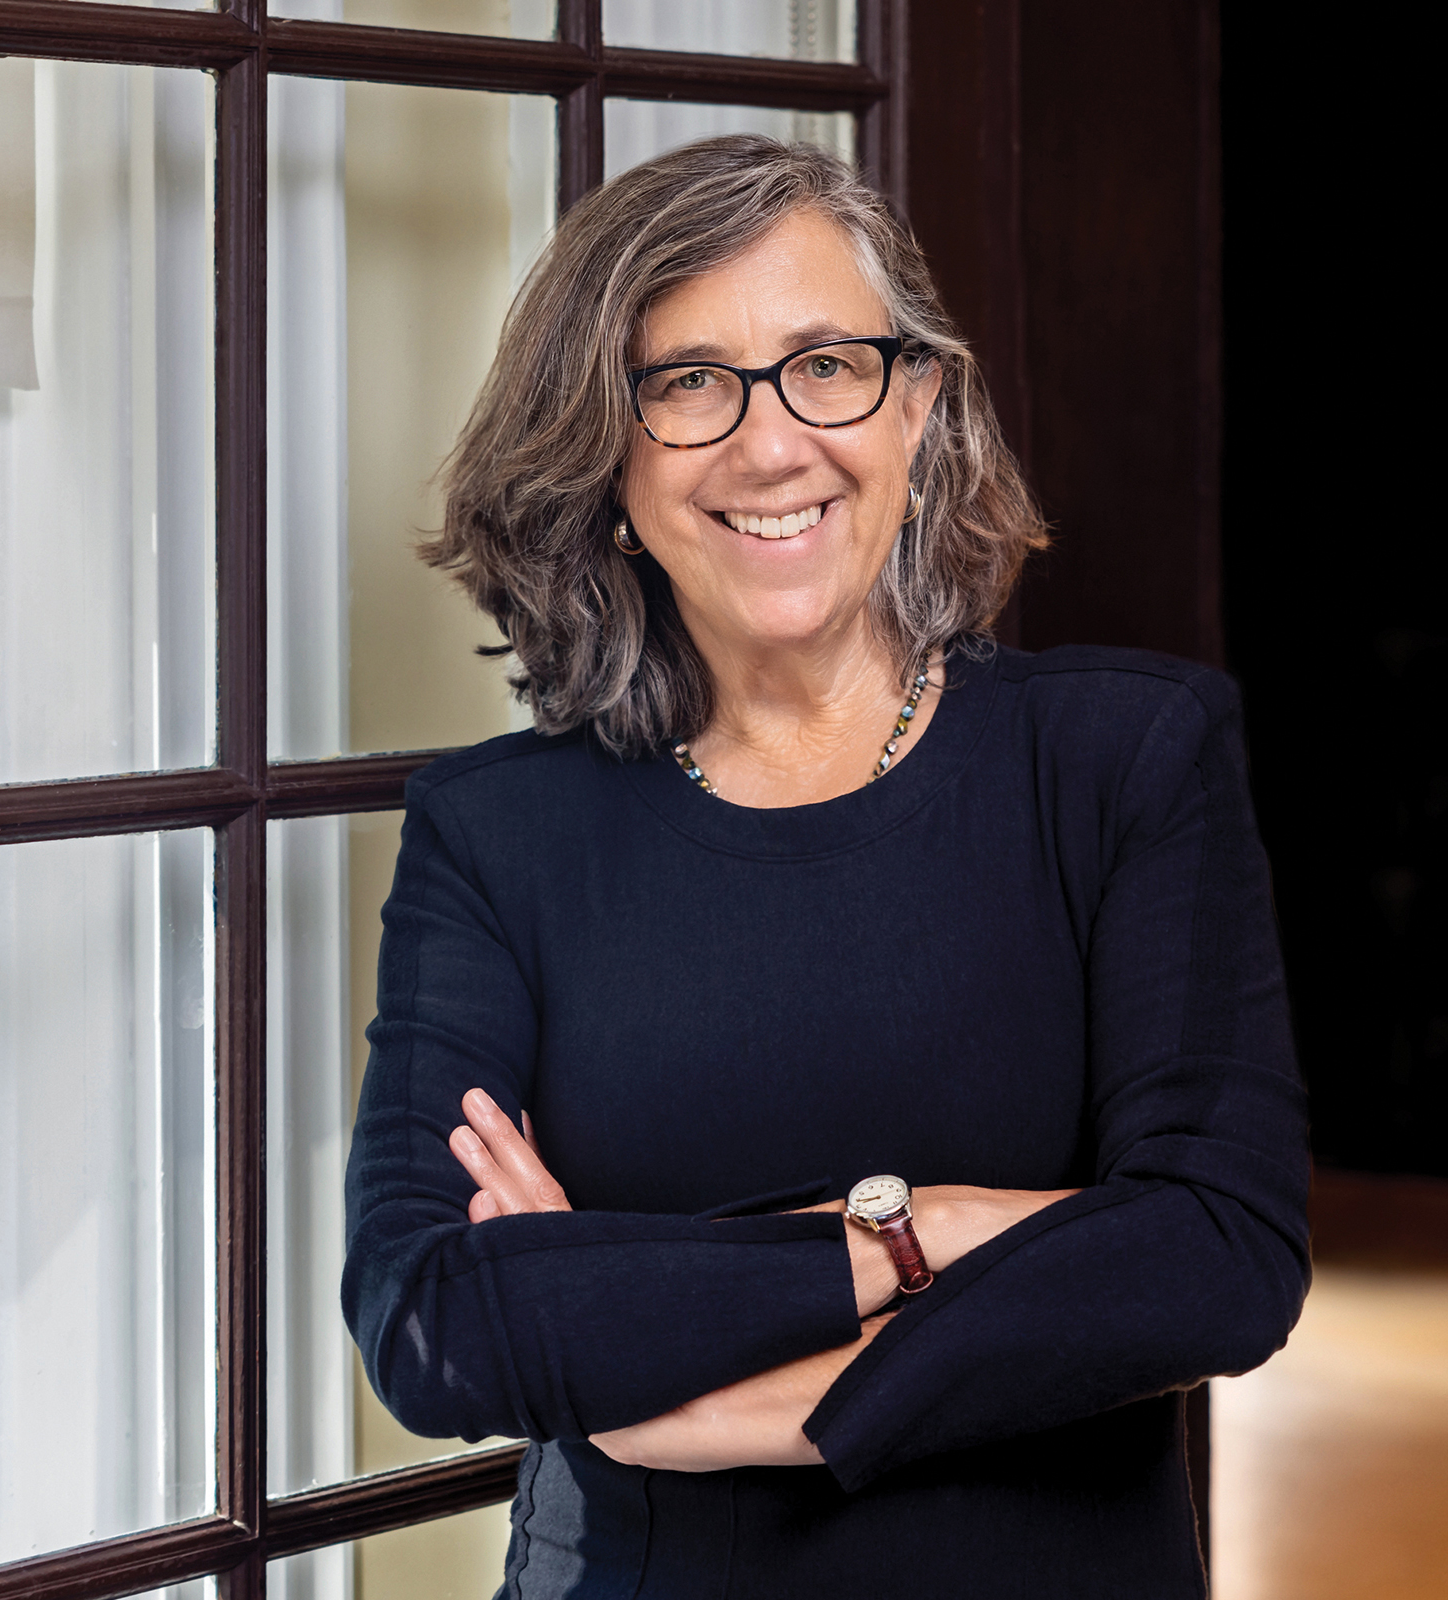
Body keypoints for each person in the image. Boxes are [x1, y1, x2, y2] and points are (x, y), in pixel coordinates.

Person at [343, 134, 1308, 1598]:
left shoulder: (1124, 759)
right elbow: (436, 1324)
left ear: (918, 409)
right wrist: (913, 1239)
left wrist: (715, 1389)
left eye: (827, 366)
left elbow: (1219, 1258)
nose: (771, 444)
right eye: (688, 383)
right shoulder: (498, 833)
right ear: (607, 462)